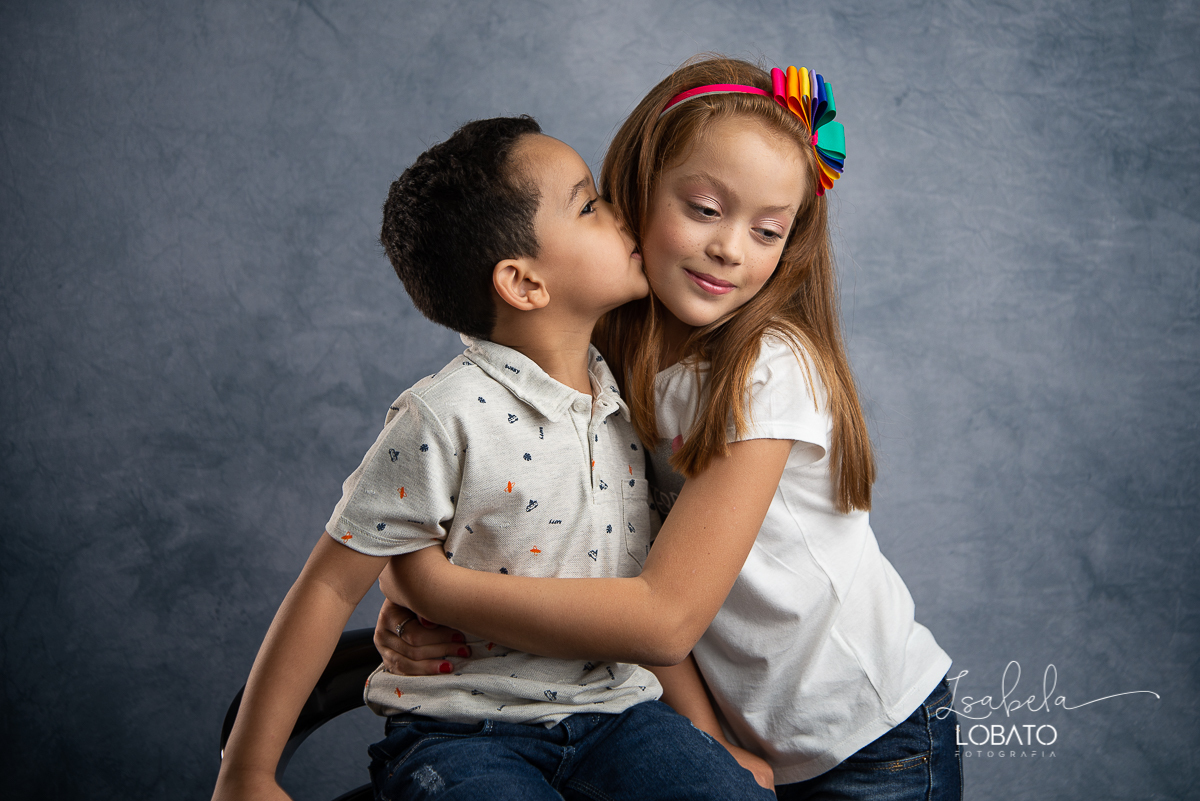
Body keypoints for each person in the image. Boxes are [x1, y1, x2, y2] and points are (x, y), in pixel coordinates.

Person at [375, 57, 964, 800]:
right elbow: (568, 539)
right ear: (636, 193)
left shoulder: (765, 368)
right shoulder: (604, 352)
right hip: (705, 725)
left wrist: (430, 582)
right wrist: (412, 616)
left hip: (865, 739)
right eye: (705, 209)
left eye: (768, 230)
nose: (731, 249)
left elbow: (661, 614)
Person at [212, 115, 774, 801]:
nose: (620, 214)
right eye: (590, 204)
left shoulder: (616, 398)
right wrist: (246, 771)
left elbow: (643, 601)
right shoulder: (442, 417)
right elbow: (329, 584)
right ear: (525, 282)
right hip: (462, 732)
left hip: (618, 717)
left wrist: (705, 739)